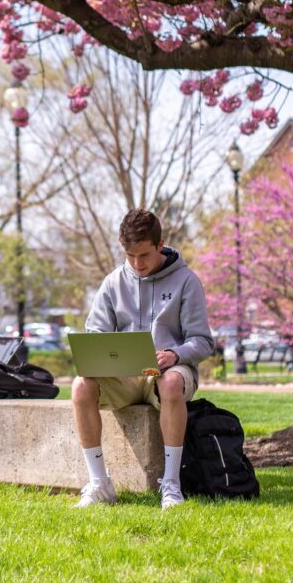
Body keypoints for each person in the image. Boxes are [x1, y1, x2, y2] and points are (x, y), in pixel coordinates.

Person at [72, 209, 215, 510]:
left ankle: (171, 485)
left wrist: (176, 354)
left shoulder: (186, 281)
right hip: (124, 376)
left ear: (160, 243)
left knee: (173, 381)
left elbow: (203, 341)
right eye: (130, 256)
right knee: (80, 386)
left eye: (144, 255)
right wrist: (100, 351)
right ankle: (100, 483)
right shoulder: (113, 283)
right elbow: (95, 331)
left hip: (166, 374)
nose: (137, 264)